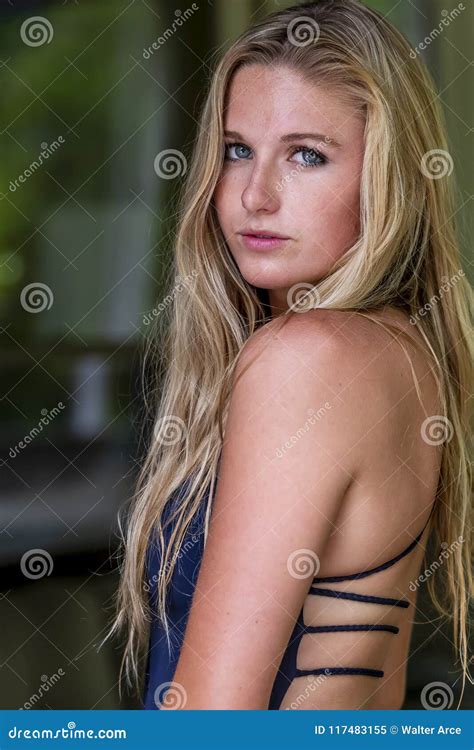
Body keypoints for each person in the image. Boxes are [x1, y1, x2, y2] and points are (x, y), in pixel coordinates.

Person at [103, 0, 473, 710]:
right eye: (238, 149)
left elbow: (212, 721)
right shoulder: (400, 350)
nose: (255, 194)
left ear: (385, 179)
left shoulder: (305, 359)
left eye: (307, 155)